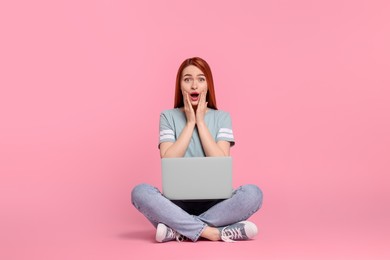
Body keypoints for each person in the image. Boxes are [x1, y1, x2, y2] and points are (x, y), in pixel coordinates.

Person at [131, 57, 263, 242]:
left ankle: (179, 230)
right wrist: (190, 122)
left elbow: (220, 160)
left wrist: (200, 122)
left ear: (208, 85)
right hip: (176, 205)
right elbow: (168, 158)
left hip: (218, 205)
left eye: (201, 79)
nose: (194, 85)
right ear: (180, 85)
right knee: (140, 192)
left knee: (253, 194)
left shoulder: (222, 118)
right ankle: (213, 232)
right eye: (187, 79)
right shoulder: (168, 116)